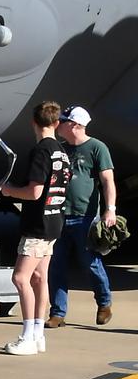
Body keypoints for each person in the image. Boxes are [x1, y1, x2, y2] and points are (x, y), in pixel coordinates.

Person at [0, 101, 70, 355]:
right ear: (57, 123)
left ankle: (27, 335)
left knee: (20, 278)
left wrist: (9, 191)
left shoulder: (41, 152)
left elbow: (35, 191)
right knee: (41, 278)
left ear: (33, 122)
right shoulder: (62, 152)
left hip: (37, 226)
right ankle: (38, 333)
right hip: (54, 222)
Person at [47, 105, 117, 327]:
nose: (59, 124)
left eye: (64, 121)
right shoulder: (60, 148)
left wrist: (110, 209)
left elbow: (107, 181)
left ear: (75, 126)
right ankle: (57, 313)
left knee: (91, 263)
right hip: (58, 216)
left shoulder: (97, 148)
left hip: (85, 217)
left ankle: (104, 303)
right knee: (55, 265)